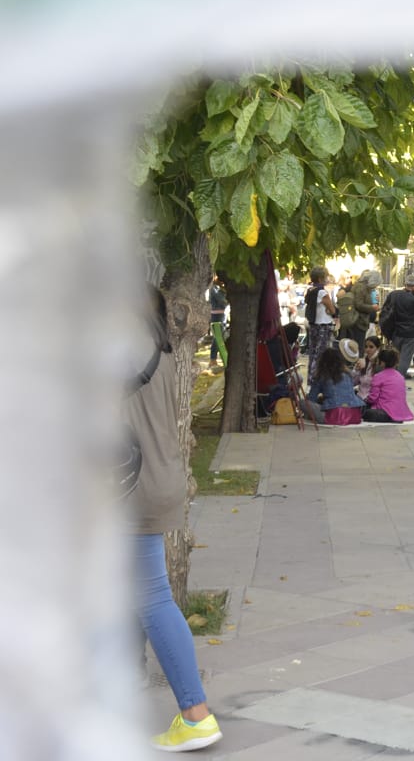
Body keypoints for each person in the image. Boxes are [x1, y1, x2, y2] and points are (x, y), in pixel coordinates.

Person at [126, 285, 222, 752]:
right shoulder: (160, 354)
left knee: (152, 599)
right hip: (157, 482)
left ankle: (195, 713)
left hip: (126, 489)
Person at [381, 275, 414, 379]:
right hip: (410, 333)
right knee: (405, 359)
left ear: (405, 283)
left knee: (393, 357)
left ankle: (389, 378)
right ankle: (397, 380)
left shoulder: (394, 295)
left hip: (395, 331)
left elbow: (385, 309)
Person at [303, 346, 365, 425]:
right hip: (355, 415)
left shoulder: (321, 376)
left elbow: (312, 398)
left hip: (334, 416)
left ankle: (308, 416)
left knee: (303, 402)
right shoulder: (348, 374)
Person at [363, 348, 414, 422]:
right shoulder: (400, 376)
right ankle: (394, 417)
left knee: (365, 411)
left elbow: (373, 398)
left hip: (385, 411)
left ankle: (390, 418)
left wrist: (365, 400)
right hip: (401, 412)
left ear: (382, 362)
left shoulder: (378, 376)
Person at [304, 266, 336, 383]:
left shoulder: (310, 290)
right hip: (323, 325)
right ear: (320, 278)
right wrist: (333, 312)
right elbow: (332, 309)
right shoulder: (322, 292)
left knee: (313, 353)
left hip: (313, 325)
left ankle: (310, 379)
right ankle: (317, 379)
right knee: (321, 355)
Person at [206, 275, 227, 367]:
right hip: (216, 315)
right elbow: (223, 300)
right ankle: (212, 359)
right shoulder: (214, 288)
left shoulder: (219, 288)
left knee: (220, 337)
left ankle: (214, 359)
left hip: (221, 314)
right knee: (217, 338)